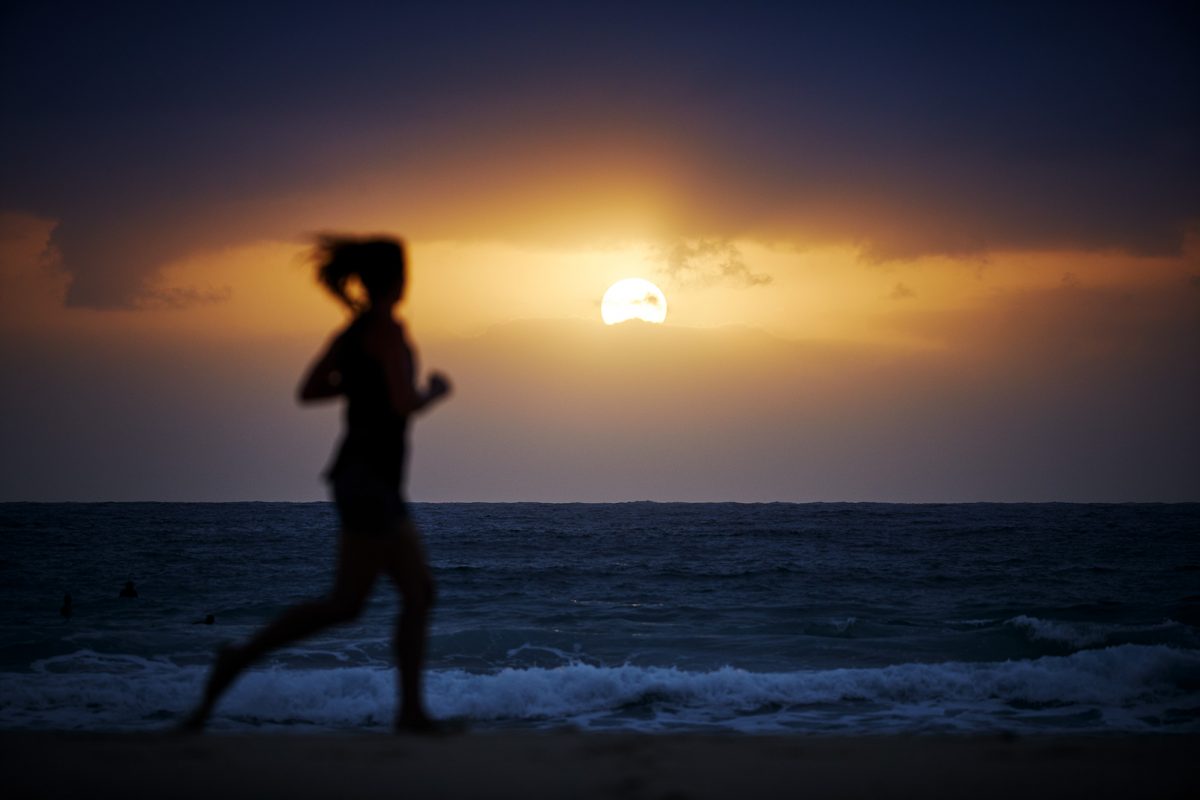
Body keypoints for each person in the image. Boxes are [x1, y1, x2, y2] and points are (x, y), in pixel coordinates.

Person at [183, 235, 452, 733]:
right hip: (371, 479)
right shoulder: (387, 332)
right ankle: (409, 713)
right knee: (403, 595)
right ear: (398, 279)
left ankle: (240, 661)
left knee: (367, 600)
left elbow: (311, 390)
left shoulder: (352, 333)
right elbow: (401, 404)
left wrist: (357, 382)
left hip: (359, 478)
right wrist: (433, 392)